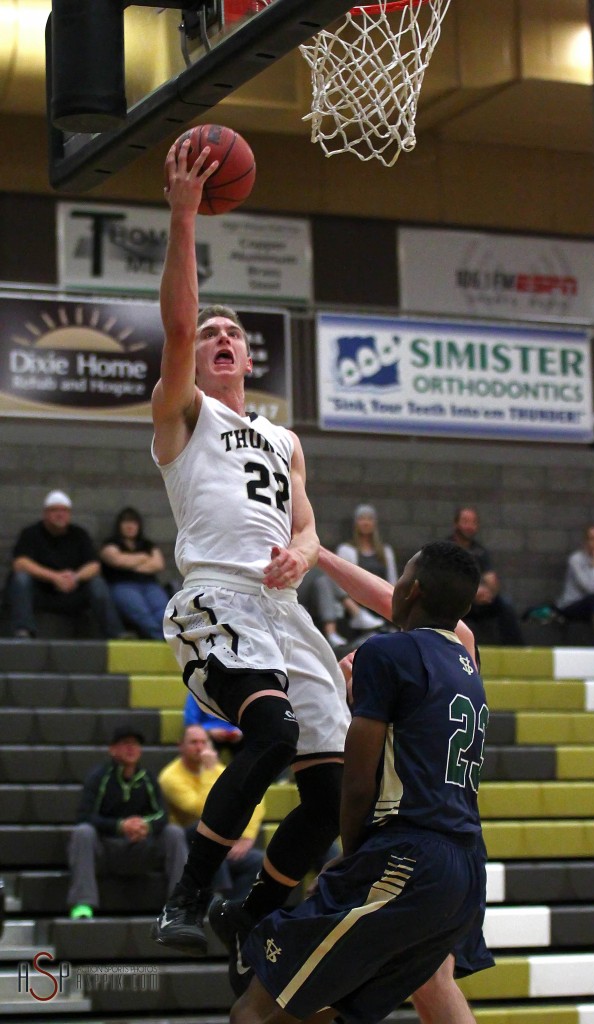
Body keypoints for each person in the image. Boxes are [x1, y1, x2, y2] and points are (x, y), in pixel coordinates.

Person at [149, 139, 349, 959]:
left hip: (283, 610)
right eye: (211, 332)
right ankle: (193, 889)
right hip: (216, 598)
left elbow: (303, 523)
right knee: (265, 738)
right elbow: (177, 319)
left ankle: (252, 909)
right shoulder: (183, 414)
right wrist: (185, 217)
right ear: (194, 358)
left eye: (234, 332)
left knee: (336, 797)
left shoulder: (284, 437)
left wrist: (302, 553)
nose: (222, 336)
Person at [229, 541, 489, 1024]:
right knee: (402, 985)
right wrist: (319, 554)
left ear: (412, 588)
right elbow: (403, 599)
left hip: (409, 853)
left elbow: (357, 779)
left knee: (259, 1008)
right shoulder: (464, 654)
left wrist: (351, 861)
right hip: (466, 863)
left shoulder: (387, 653)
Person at [67, 725, 188, 920]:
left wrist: (144, 826)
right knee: (83, 832)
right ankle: (83, 903)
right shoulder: (99, 777)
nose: (131, 749)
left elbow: (162, 815)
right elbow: (85, 815)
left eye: (135, 744)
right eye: (125, 744)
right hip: (107, 849)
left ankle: (180, 905)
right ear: (112, 749)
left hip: (140, 847)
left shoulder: (148, 778)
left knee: (174, 832)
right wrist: (121, 826)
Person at [159, 725, 264, 901]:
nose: (200, 747)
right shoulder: (170, 777)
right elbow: (204, 810)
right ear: (181, 746)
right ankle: (217, 894)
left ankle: (233, 910)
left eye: (204, 742)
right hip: (185, 842)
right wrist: (208, 772)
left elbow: (254, 800)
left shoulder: (218, 769)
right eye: (193, 742)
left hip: (220, 839)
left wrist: (247, 837)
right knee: (208, 830)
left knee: (257, 860)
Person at [8, 490, 123, 639]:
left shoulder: (79, 534)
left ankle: (116, 634)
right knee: (21, 579)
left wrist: (75, 577)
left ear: (69, 514)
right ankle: (24, 631)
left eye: (64, 510)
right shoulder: (31, 533)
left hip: (72, 592)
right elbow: (20, 563)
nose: (59, 514)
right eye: (54, 510)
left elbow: (94, 566)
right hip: (41, 593)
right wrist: (54, 577)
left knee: (97, 583)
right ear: (45, 513)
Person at [448, 506, 524, 646]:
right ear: (456, 524)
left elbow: (490, 578)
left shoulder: (479, 551)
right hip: (454, 602)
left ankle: (517, 650)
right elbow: (446, 581)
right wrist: (472, 593)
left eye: (473, 522)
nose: (470, 526)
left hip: (476, 602)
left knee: (505, 605)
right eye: (465, 521)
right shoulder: (446, 548)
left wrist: (489, 592)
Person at [100, 506, 168, 639]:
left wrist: (129, 562)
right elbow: (117, 560)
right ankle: (161, 640)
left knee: (164, 613)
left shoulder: (147, 544)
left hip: (150, 586)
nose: (130, 526)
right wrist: (143, 558)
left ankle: (169, 640)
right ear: (119, 525)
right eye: (126, 522)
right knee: (142, 614)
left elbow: (158, 565)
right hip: (122, 585)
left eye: (134, 522)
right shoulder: (111, 544)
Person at [335, 503, 398, 634]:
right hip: (358, 601)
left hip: (381, 600)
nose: (366, 523)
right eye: (362, 519)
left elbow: (393, 580)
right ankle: (360, 618)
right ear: (355, 523)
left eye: (369, 519)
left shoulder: (385, 551)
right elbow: (342, 581)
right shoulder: (346, 549)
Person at [556, 524, 594, 642]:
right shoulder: (576, 560)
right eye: (592, 539)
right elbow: (591, 589)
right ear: (586, 542)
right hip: (573, 605)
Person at [295, 565, 347, 650]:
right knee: (322, 570)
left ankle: (331, 633)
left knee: (322, 581)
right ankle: (355, 611)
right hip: (290, 593)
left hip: (310, 596)